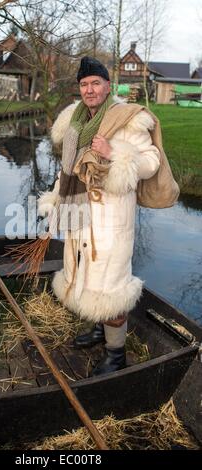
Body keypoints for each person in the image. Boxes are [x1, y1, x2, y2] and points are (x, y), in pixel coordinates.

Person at [37, 56, 168, 376]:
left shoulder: (128, 119)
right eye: (84, 84)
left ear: (108, 86)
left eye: (96, 83)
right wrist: (55, 199)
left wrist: (115, 155)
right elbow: (68, 170)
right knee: (84, 277)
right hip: (79, 214)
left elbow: (151, 161)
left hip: (111, 221)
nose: (90, 89)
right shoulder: (76, 122)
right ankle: (99, 329)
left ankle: (116, 354)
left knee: (111, 287)